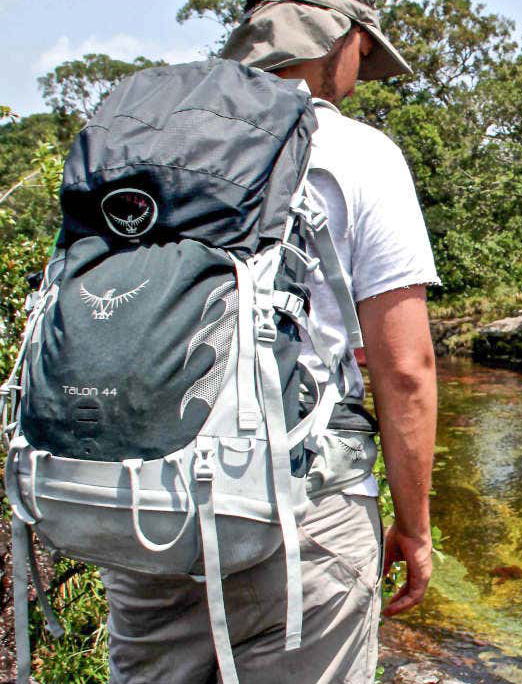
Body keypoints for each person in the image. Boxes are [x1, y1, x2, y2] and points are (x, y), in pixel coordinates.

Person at [98, 1, 439, 681]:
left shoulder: (142, 140)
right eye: (364, 53)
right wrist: (415, 528)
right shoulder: (360, 152)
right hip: (300, 510)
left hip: (145, 505)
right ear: (337, 41)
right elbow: (404, 368)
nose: (360, 72)